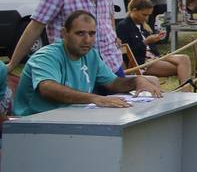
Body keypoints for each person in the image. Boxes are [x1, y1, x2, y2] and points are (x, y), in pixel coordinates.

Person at [13, 11, 163, 115]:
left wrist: (138, 81)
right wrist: (95, 98)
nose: (87, 40)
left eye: (91, 33)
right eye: (80, 33)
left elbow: (114, 83)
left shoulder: (91, 54)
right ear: (64, 33)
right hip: (35, 122)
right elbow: (48, 88)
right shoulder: (46, 56)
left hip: (70, 118)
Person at [117, 0, 192, 87]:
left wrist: (155, 40)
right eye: (144, 15)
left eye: (149, 15)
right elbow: (128, 52)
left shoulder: (143, 25)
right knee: (182, 68)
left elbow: (151, 48)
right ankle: (186, 92)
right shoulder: (123, 26)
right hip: (141, 62)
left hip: (154, 56)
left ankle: (185, 92)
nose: (146, 18)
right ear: (134, 10)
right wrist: (146, 42)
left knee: (184, 58)